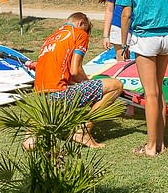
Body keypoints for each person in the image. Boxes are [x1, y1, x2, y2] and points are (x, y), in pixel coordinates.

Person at [112, 0, 168, 157]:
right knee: (158, 90)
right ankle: (161, 142)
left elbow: (126, 14)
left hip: (146, 36)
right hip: (167, 33)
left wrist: (123, 43)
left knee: (150, 93)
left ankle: (150, 146)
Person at [30, 12, 124, 148]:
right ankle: (83, 131)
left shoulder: (51, 37)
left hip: (41, 99)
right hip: (58, 96)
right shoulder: (79, 34)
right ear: (80, 23)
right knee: (116, 85)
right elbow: (75, 70)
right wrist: (87, 81)